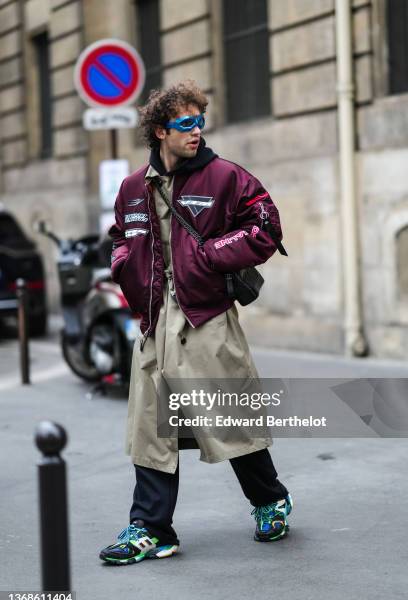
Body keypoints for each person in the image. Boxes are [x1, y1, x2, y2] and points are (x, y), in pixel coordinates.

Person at [99, 81, 292, 565]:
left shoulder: (225, 176)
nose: (197, 131)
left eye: (200, 121)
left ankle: (270, 501)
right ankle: (152, 529)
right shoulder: (131, 188)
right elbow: (120, 236)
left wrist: (210, 255)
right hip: (153, 321)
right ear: (160, 130)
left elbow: (267, 228)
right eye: (186, 123)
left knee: (230, 418)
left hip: (205, 317)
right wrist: (123, 262)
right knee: (152, 429)